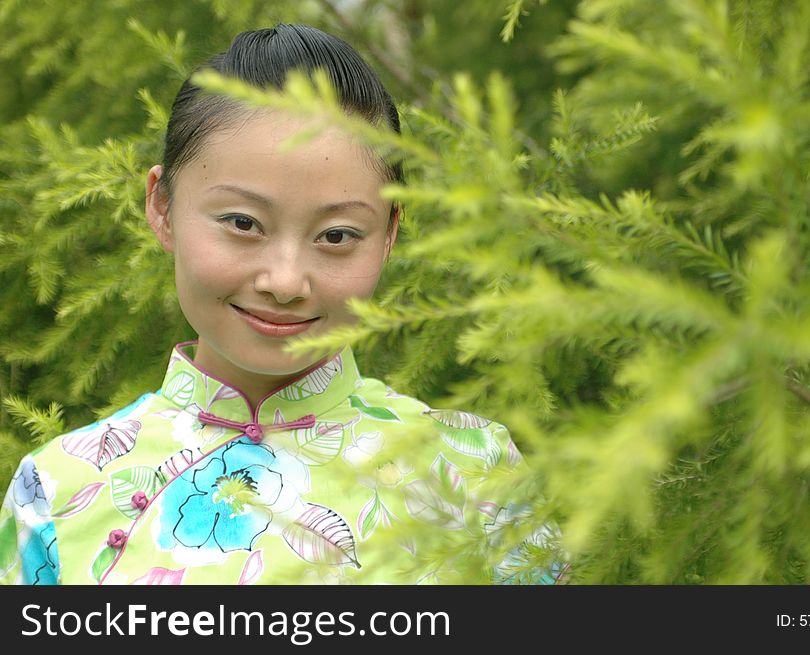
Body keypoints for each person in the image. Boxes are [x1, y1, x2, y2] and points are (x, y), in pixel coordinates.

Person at [0, 24, 565, 585]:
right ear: (163, 206)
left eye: (337, 235)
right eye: (242, 223)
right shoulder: (57, 491)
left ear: (390, 232)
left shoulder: (474, 472)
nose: (286, 281)